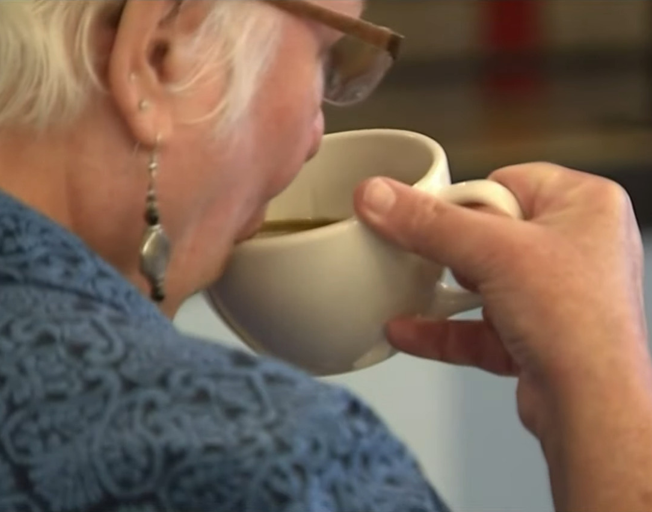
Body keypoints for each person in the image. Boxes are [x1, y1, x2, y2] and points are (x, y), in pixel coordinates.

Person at [0, 1, 649, 511]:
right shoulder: (270, 465)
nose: (316, 138)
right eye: (327, 57)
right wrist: (608, 397)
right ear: (158, 55)